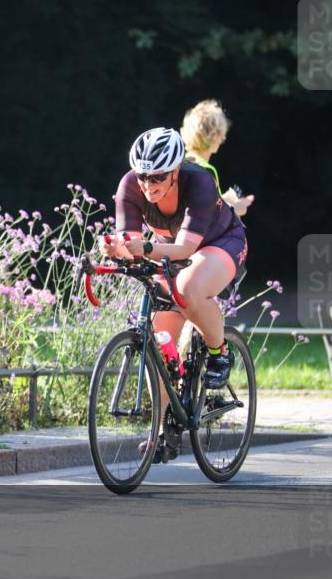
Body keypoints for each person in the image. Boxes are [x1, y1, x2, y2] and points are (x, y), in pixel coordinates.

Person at [100, 127, 248, 390]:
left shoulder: (200, 182)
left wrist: (143, 248)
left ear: (175, 172)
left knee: (188, 289)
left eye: (157, 177)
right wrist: (114, 250)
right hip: (168, 249)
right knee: (158, 344)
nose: (148, 184)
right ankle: (163, 427)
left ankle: (220, 353)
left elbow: (184, 250)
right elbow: (131, 251)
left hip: (220, 241)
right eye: (143, 175)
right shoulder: (130, 186)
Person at [180, 99, 255, 217]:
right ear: (215, 135)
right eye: (222, 134)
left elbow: (197, 204)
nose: (223, 139)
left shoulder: (180, 163)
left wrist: (224, 199)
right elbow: (211, 215)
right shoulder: (205, 170)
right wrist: (238, 208)